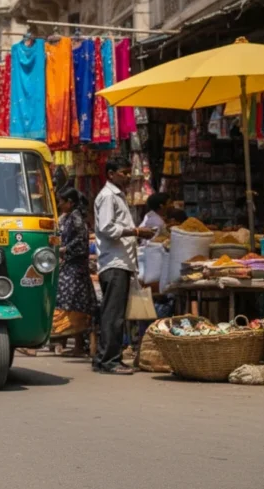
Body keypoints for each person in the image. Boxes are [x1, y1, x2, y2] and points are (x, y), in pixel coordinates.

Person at [93, 156, 155, 375]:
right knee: (113, 314)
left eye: (129, 173)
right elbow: (107, 228)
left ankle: (104, 359)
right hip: (114, 262)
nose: (128, 177)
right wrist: (137, 232)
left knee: (113, 313)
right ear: (111, 174)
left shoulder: (117, 196)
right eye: (124, 173)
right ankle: (109, 360)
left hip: (121, 261)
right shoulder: (108, 196)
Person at [50, 187, 95, 357]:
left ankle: (77, 345)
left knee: (70, 304)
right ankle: (74, 345)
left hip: (74, 268)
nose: (60, 204)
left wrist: (64, 250)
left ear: (70, 202)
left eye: (62, 201)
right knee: (72, 305)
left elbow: (81, 240)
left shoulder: (75, 218)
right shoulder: (68, 217)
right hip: (71, 266)